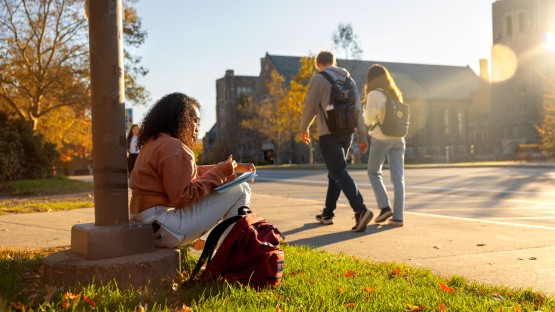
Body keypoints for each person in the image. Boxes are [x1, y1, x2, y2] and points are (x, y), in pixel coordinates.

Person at [129, 92, 255, 248]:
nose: (197, 128)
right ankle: (231, 253)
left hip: (146, 224)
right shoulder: (174, 146)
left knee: (236, 186)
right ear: (177, 118)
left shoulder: (153, 143)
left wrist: (231, 169)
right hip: (163, 227)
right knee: (241, 189)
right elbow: (182, 198)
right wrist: (221, 173)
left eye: (198, 122)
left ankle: (220, 244)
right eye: (193, 120)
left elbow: (188, 172)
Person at [299, 50, 373, 232]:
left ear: (318, 64)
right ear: (334, 61)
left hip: (328, 133)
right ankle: (328, 213)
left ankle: (360, 209)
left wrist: (304, 128)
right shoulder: (349, 80)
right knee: (335, 173)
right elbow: (357, 110)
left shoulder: (319, 78)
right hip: (347, 132)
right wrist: (362, 136)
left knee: (338, 171)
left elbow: (310, 105)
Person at [363, 64, 406, 227]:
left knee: (374, 172)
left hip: (381, 139)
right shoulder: (395, 93)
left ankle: (385, 207)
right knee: (398, 178)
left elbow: (368, 120)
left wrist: (365, 110)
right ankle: (398, 217)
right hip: (399, 138)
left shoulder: (374, 94)